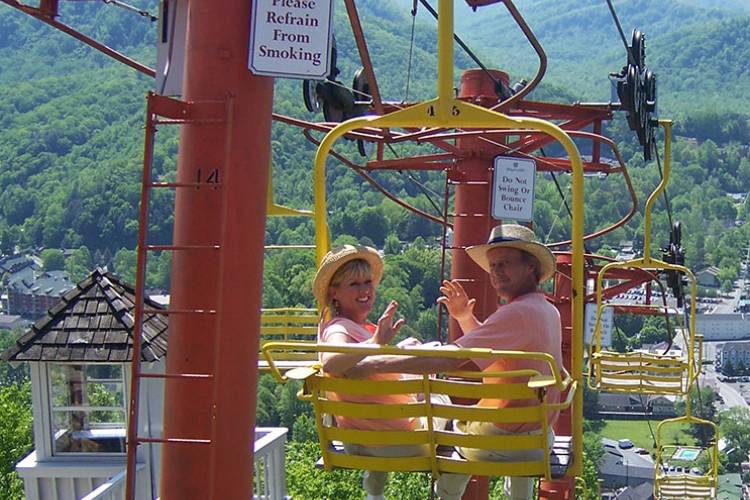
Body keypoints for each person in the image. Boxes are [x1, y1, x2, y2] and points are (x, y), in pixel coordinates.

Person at [347, 224, 563, 500]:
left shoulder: (518, 312)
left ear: (530, 267)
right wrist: (464, 318)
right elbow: (494, 347)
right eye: (493, 264)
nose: (495, 271)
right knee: (475, 423)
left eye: (505, 264)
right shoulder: (545, 309)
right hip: (539, 435)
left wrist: (376, 364)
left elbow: (448, 359)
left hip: (508, 438)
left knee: (451, 435)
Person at [312, 244, 419, 500]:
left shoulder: (353, 328)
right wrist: (376, 344)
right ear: (334, 292)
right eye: (354, 284)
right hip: (392, 439)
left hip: (360, 434)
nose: (365, 290)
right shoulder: (338, 330)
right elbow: (331, 361)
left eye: (368, 281)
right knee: (460, 435)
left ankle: (374, 494)